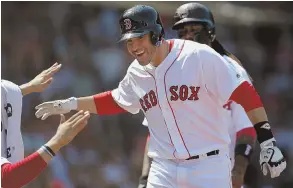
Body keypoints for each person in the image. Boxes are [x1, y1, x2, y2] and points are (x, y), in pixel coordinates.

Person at [35, 5, 284, 188]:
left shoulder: (199, 56)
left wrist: (268, 141)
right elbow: (118, 100)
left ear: (156, 33)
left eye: (139, 38)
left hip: (208, 166)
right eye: (128, 41)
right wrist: (72, 103)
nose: (133, 47)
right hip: (164, 168)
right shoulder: (136, 71)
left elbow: (245, 93)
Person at [137, 3, 287, 188]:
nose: (188, 36)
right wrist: (145, 178)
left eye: (194, 29)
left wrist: (238, 171)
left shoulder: (229, 70)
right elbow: (157, 134)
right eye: (183, 31)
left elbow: (246, 130)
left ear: (211, 33)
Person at [1, 63, 91, 188]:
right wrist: (57, 142)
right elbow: (10, 178)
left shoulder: (71, 145)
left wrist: (29, 87)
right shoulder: (29, 140)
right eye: (57, 103)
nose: (62, 109)